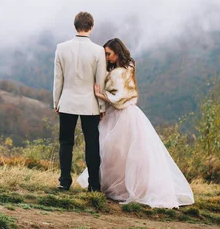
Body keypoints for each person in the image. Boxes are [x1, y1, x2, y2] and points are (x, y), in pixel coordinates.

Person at [77, 38, 194, 208]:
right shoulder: (128, 67)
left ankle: (117, 187)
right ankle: (118, 186)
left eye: (108, 54)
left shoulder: (118, 73)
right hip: (129, 113)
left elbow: (119, 97)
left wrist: (100, 94)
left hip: (121, 115)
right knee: (122, 153)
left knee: (113, 151)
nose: (106, 57)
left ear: (117, 53)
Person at [53, 12, 107, 191]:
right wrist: (102, 106)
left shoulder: (61, 48)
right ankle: (94, 185)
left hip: (67, 101)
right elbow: (100, 82)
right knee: (92, 144)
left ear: (75, 25)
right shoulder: (98, 50)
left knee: (66, 142)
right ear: (91, 27)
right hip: (90, 104)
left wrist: (56, 102)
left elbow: (58, 79)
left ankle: (64, 181)